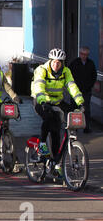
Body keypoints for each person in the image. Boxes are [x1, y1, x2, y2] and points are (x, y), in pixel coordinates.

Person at [31, 48, 84, 177]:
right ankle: (41, 148)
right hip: (41, 100)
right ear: (50, 61)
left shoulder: (66, 72)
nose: (56, 65)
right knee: (48, 120)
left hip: (57, 102)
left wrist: (80, 102)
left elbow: (72, 87)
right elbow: (39, 86)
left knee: (57, 131)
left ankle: (56, 162)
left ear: (62, 63)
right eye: (54, 62)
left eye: (59, 62)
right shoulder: (42, 70)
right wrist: (43, 101)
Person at [68, 46, 97, 133]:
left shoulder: (90, 63)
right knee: (74, 109)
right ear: (80, 54)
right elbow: (69, 76)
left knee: (86, 109)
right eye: (83, 54)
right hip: (75, 91)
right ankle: (74, 127)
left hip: (86, 91)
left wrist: (90, 86)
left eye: (86, 54)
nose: (84, 56)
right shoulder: (74, 63)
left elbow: (94, 76)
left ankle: (86, 127)